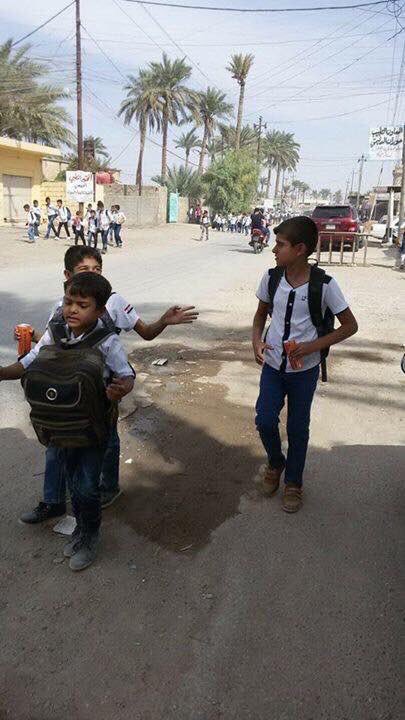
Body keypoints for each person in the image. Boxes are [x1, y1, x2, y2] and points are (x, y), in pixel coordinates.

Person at [17, 245, 199, 524]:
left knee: (106, 439)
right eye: (84, 270)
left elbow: (145, 333)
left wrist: (163, 321)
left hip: (101, 391)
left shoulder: (112, 302)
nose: (92, 275)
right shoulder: (63, 306)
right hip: (65, 392)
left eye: (97, 270)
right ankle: (53, 501)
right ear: (67, 275)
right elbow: (54, 343)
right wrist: (31, 340)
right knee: (56, 444)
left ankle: (106, 488)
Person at [1, 272, 135, 571]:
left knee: (87, 486)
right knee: (74, 480)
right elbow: (29, 362)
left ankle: (90, 536)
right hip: (60, 424)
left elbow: (126, 375)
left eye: (82, 305)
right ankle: (80, 530)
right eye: (68, 302)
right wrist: (3, 373)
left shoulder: (107, 340)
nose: (72, 309)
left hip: (92, 427)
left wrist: (120, 389)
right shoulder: (56, 331)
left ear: (100, 311)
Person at [252, 216, 358, 513]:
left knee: (298, 428)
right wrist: (256, 341)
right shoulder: (271, 278)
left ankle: (293, 482)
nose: (274, 249)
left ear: (300, 249)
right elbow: (260, 316)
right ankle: (276, 463)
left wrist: (310, 347)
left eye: (280, 244)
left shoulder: (325, 285)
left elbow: (350, 326)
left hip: (304, 372)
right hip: (273, 367)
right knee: (264, 419)